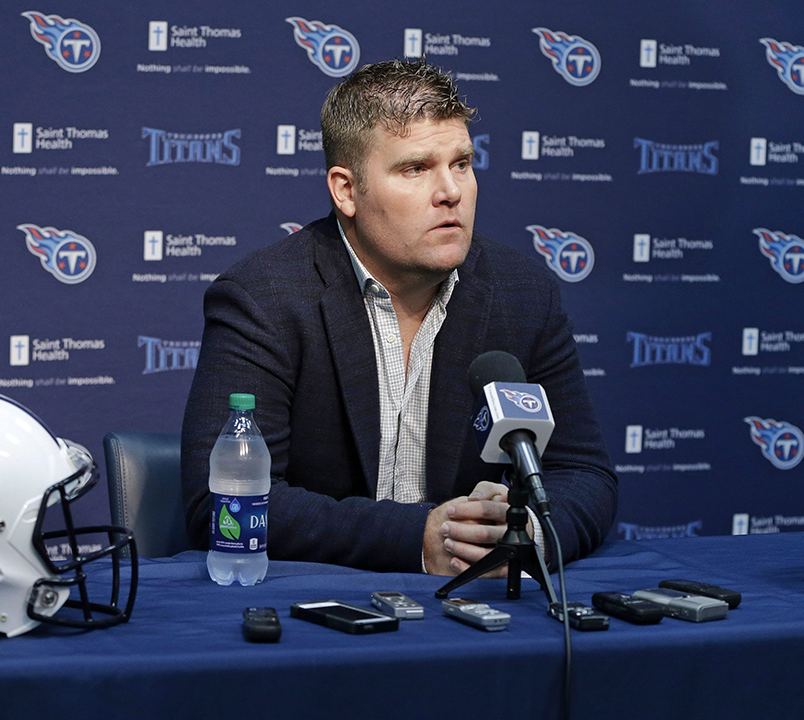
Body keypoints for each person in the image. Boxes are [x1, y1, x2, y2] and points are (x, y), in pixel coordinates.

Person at [181, 59, 617, 575]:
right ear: (346, 190)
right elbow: (226, 504)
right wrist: (421, 538)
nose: (450, 191)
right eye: (415, 168)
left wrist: (526, 533)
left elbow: (584, 473)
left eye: (461, 163)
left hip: (475, 609)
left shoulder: (522, 293)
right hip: (321, 613)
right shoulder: (265, 298)